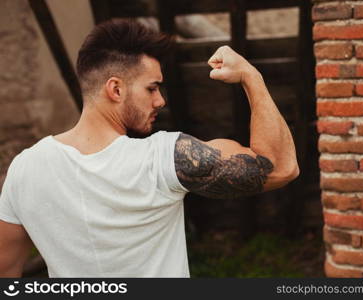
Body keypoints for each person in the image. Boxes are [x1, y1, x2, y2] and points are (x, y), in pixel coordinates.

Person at [0, 19, 299, 277]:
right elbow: (281, 166)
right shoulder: (162, 159)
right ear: (115, 89)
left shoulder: (25, 167)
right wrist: (251, 76)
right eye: (152, 88)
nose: (160, 101)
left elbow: (5, 270)